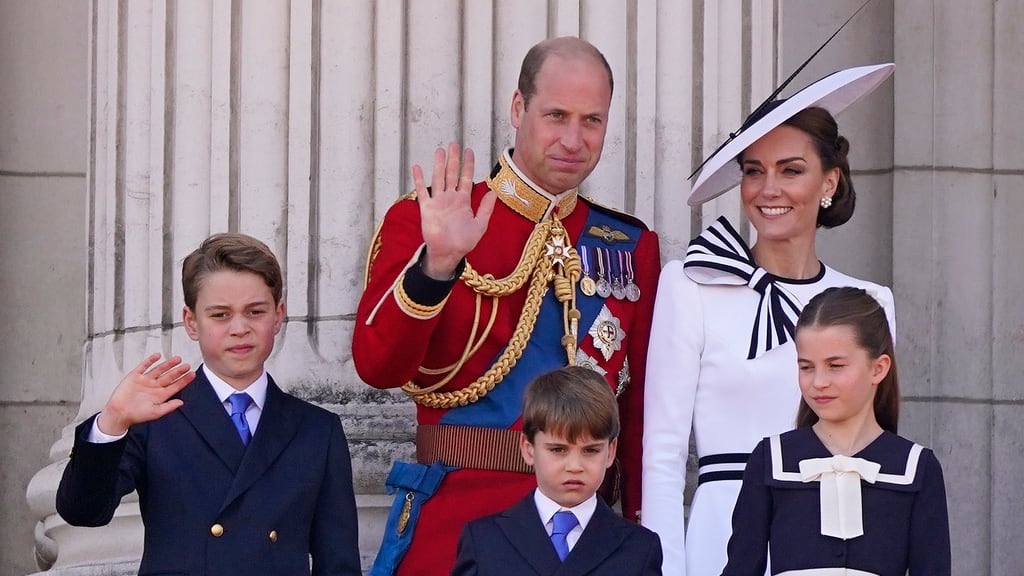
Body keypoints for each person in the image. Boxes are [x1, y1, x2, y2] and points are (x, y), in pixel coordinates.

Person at [354, 36, 660, 576]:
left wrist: (635, 522)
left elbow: (636, 416)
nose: (573, 139)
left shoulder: (629, 246)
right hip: (455, 520)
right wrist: (438, 265)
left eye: (592, 120)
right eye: (556, 115)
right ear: (519, 109)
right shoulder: (428, 218)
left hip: (585, 537)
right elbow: (378, 366)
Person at [641, 64, 897, 576]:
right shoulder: (691, 285)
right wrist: (663, 568)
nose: (767, 188)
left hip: (837, 539)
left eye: (790, 169)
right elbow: (663, 456)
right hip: (722, 537)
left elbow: (879, 450)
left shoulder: (870, 301)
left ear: (829, 181)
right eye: (754, 170)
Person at [56, 233, 361, 576]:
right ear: (191, 322)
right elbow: (83, 511)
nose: (240, 328)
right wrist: (111, 422)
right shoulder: (156, 416)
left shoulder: (317, 430)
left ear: (278, 316)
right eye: (220, 315)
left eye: (255, 311)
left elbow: (338, 563)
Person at [720, 286, 950, 575]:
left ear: (878, 368)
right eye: (806, 367)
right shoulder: (771, 459)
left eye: (836, 366)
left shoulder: (917, 467)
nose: (818, 382)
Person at [451, 366, 663, 576]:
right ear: (528, 449)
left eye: (591, 450)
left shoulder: (640, 548)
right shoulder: (484, 541)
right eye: (558, 450)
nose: (574, 466)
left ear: (610, 452)